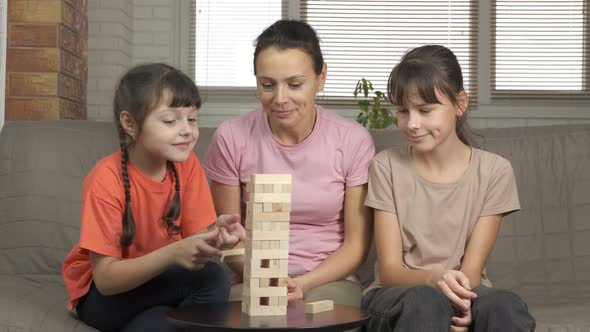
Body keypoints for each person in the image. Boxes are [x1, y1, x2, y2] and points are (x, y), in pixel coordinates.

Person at [361, 45, 536, 331]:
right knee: (425, 302)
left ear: (460, 103)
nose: (412, 123)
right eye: (403, 111)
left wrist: (463, 306)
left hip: (466, 289)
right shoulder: (386, 166)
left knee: (504, 305)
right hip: (398, 295)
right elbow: (391, 271)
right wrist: (434, 279)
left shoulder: (495, 171)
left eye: (425, 110)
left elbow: (472, 271)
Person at [203, 20, 375, 307]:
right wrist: (268, 282)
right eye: (267, 85)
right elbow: (231, 238)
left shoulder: (352, 140)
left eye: (295, 84)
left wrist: (302, 284)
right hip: (251, 277)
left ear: (321, 78)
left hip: (327, 280)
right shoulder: (231, 137)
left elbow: (356, 246)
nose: (280, 99)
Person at [62, 63, 245, 332]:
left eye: (192, 119)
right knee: (211, 277)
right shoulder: (105, 178)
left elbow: (197, 238)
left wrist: (219, 238)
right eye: (171, 120)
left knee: (169, 312)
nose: (187, 130)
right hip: (103, 297)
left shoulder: (187, 164)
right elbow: (106, 280)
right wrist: (173, 254)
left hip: (157, 287)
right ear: (130, 124)